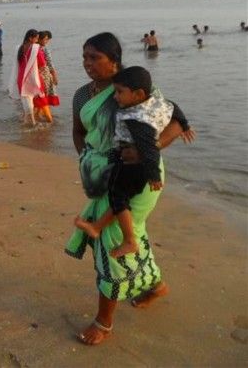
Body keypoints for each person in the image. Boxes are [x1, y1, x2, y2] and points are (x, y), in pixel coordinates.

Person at [65, 32, 191, 346]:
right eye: (84, 57)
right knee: (129, 235)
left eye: (95, 58)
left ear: (115, 61)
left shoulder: (136, 87)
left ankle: (103, 322)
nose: (88, 64)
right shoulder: (83, 95)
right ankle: (155, 286)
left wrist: (151, 147)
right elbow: (79, 131)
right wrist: (87, 158)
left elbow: (176, 121)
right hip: (103, 176)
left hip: (140, 177)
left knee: (112, 242)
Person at [75, 66, 194, 257]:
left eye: (119, 92)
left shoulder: (136, 119)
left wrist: (154, 175)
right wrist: (185, 125)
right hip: (139, 165)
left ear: (138, 94)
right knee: (119, 198)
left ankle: (129, 240)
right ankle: (97, 227)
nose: (115, 97)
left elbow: (149, 148)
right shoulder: (156, 103)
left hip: (135, 166)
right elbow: (173, 107)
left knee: (118, 198)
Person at [7, 29, 46, 126]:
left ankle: (27, 120)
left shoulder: (18, 48)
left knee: (26, 99)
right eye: (36, 38)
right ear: (30, 38)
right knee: (34, 99)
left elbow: (18, 64)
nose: (37, 40)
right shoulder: (36, 49)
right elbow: (42, 64)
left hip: (21, 78)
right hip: (33, 77)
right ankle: (32, 122)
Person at [37, 30, 59, 122]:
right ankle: (48, 119)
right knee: (44, 96)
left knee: (39, 96)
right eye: (45, 39)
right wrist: (54, 76)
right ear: (40, 39)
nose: (47, 41)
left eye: (47, 39)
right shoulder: (44, 49)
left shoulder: (33, 48)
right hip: (45, 74)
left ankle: (39, 115)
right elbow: (50, 63)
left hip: (36, 74)